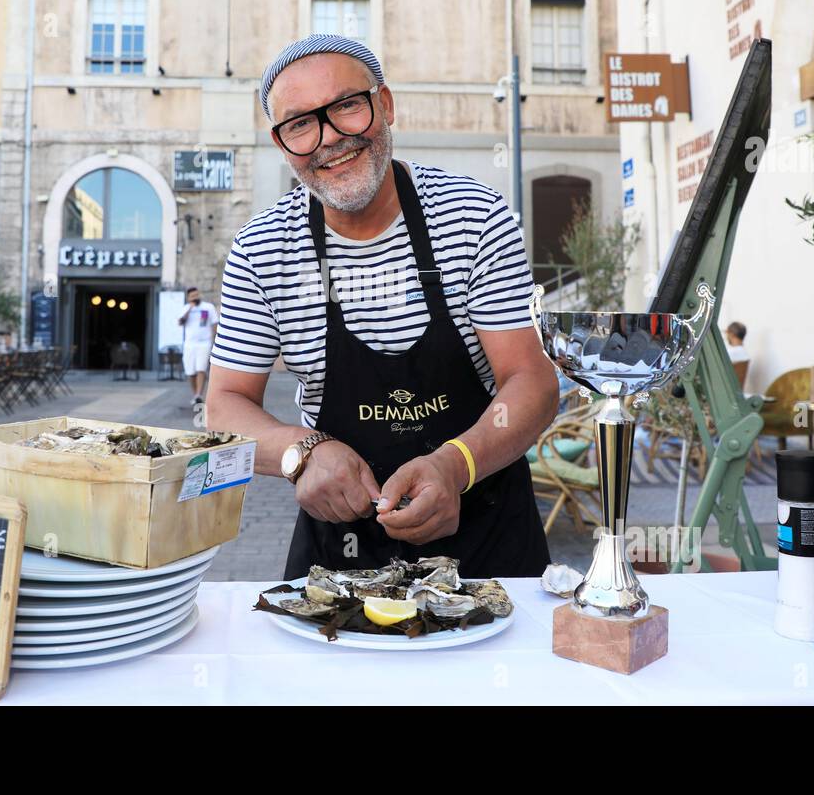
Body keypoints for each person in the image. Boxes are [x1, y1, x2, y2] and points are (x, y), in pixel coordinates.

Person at [205, 34, 558, 580]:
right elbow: (224, 404)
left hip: (487, 536)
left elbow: (531, 382)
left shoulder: (475, 215)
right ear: (281, 142)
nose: (330, 139)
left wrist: (454, 465)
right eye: (300, 123)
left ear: (385, 105)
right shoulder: (262, 250)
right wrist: (303, 454)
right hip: (338, 557)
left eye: (347, 105)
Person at [178, 286, 218, 406]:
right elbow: (180, 322)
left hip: (204, 343)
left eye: (196, 295)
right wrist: (189, 309)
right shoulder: (185, 309)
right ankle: (195, 394)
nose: (195, 297)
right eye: (192, 296)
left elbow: (214, 323)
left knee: (201, 368)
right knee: (190, 371)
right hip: (189, 344)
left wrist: (214, 340)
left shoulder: (208, 307)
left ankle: (199, 395)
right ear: (188, 298)